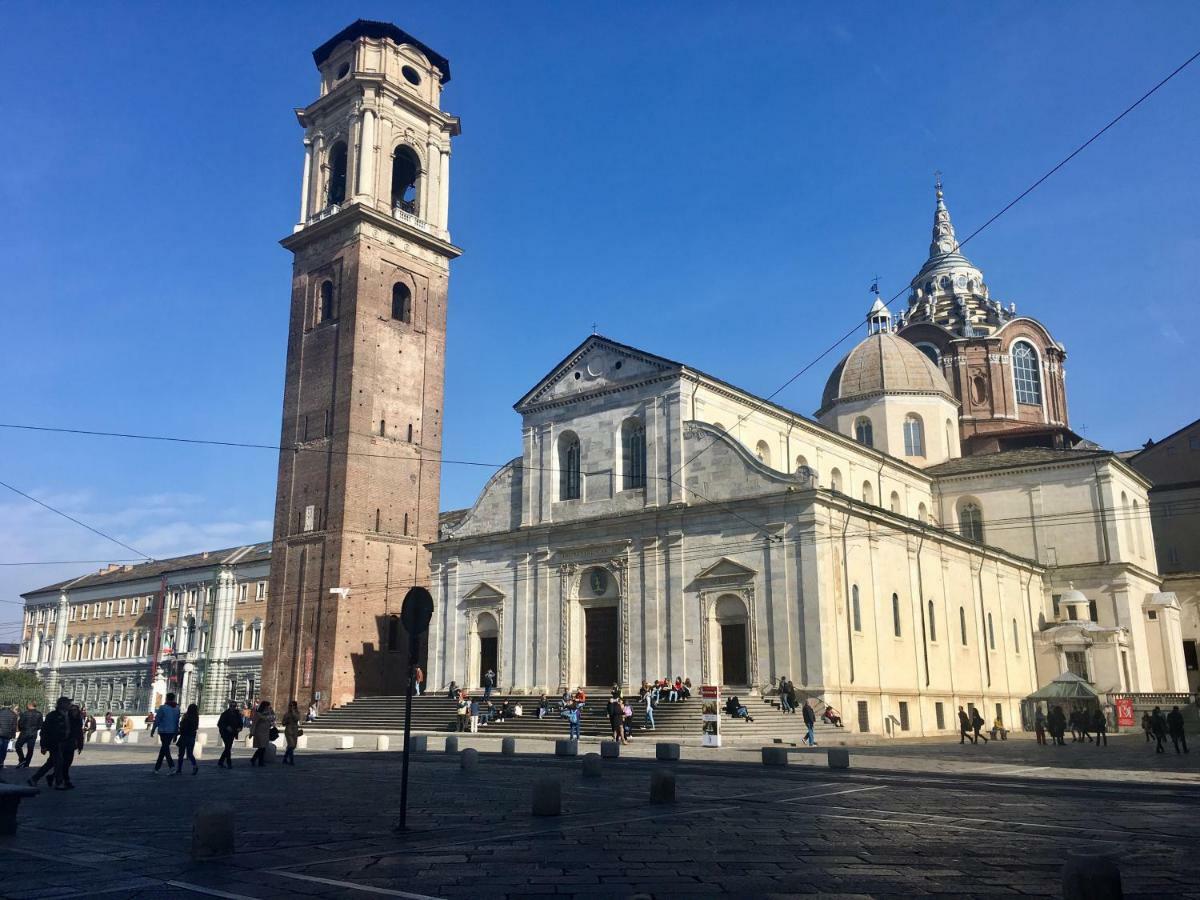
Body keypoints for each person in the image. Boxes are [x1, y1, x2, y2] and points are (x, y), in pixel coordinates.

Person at [28, 696, 71, 789]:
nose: (69, 705)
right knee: (59, 762)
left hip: (64, 743)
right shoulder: (52, 716)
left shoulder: (67, 715)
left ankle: (34, 779)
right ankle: (59, 783)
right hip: (55, 743)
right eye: (68, 703)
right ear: (62, 704)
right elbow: (44, 731)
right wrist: (43, 745)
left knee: (51, 763)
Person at [150, 693, 181, 774]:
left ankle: (172, 766)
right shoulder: (177, 708)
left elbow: (157, 719)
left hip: (163, 731)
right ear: (174, 699)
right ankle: (156, 768)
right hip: (171, 731)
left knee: (165, 749)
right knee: (164, 749)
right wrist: (175, 733)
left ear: (167, 698)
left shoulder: (163, 708)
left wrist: (153, 729)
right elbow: (177, 722)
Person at [15, 702, 42, 768]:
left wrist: (22, 729)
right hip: (33, 733)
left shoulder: (25, 713)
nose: (26, 706)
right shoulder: (39, 714)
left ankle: (22, 759)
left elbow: (20, 723)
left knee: (18, 746)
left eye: (27, 705)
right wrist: (35, 729)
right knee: (30, 749)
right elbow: (40, 725)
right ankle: (27, 764)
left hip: (24, 732)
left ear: (30, 706)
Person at [217, 701, 243, 768]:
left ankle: (221, 761)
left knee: (228, 748)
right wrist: (226, 727)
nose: (232, 707)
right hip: (225, 733)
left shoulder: (237, 714)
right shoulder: (225, 714)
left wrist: (239, 728)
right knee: (228, 747)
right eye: (231, 706)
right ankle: (229, 763)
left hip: (233, 733)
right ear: (229, 706)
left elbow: (240, 723)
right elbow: (220, 723)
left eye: (234, 706)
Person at [176, 704, 200, 776]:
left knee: (181, 754)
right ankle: (194, 765)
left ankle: (179, 769)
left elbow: (183, 727)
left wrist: (178, 732)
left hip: (184, 737)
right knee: (190, 754)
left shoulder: (186, 717)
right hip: (192, 737)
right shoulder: (196, 717)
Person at [250, 701, 275, 766]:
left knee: (263, 748)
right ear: (264, 706)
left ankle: (255, 760)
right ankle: (258, 761)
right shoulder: (258, 714)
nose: (269, 707)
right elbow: (254, 723)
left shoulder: (269, 713)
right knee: (261, 747)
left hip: (266, 732)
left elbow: (273, 718)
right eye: (268, 706)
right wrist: (252, 732)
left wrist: (271, 711)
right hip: (259, 732)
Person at [281, 701, 301, 765]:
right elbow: (283, 723)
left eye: (292, 705)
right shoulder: (286, 714)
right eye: (290, 705)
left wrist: (293, 712)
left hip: (295, 731)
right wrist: (287, 720)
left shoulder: (297, 713)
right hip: (288, 731)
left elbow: (297, 718)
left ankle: (285, 758)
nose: (290, 707)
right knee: (291, 745)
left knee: (292, 746)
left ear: (295, 706)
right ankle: (291, 760)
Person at [0, 704, 17, 771]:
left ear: (3, 705)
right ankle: (1, 762)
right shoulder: (13, 714)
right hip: (7, 734)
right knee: (4, 749)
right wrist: (13, 735)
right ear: (10, 706)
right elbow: (14, 726)